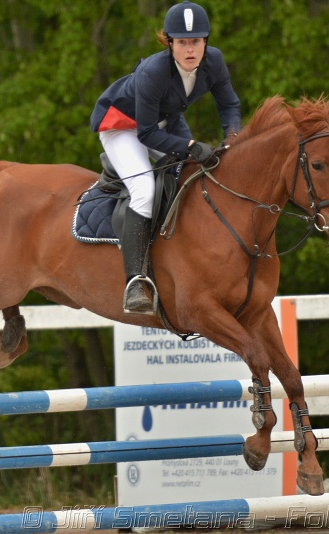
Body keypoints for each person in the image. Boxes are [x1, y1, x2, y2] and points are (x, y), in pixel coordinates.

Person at [90, 1, 242, 315]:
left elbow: (229, 106)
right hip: (124, 126)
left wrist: (233, 139)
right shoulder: (153, 72)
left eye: (196, 41)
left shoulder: (214, 62)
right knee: (144, 190)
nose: (191, 49)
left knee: (197, 172)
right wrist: (189, 144)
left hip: (165, 122)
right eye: (183, 42)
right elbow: (145, 134)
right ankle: (135, 281)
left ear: (206, 43)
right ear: (169, 43)